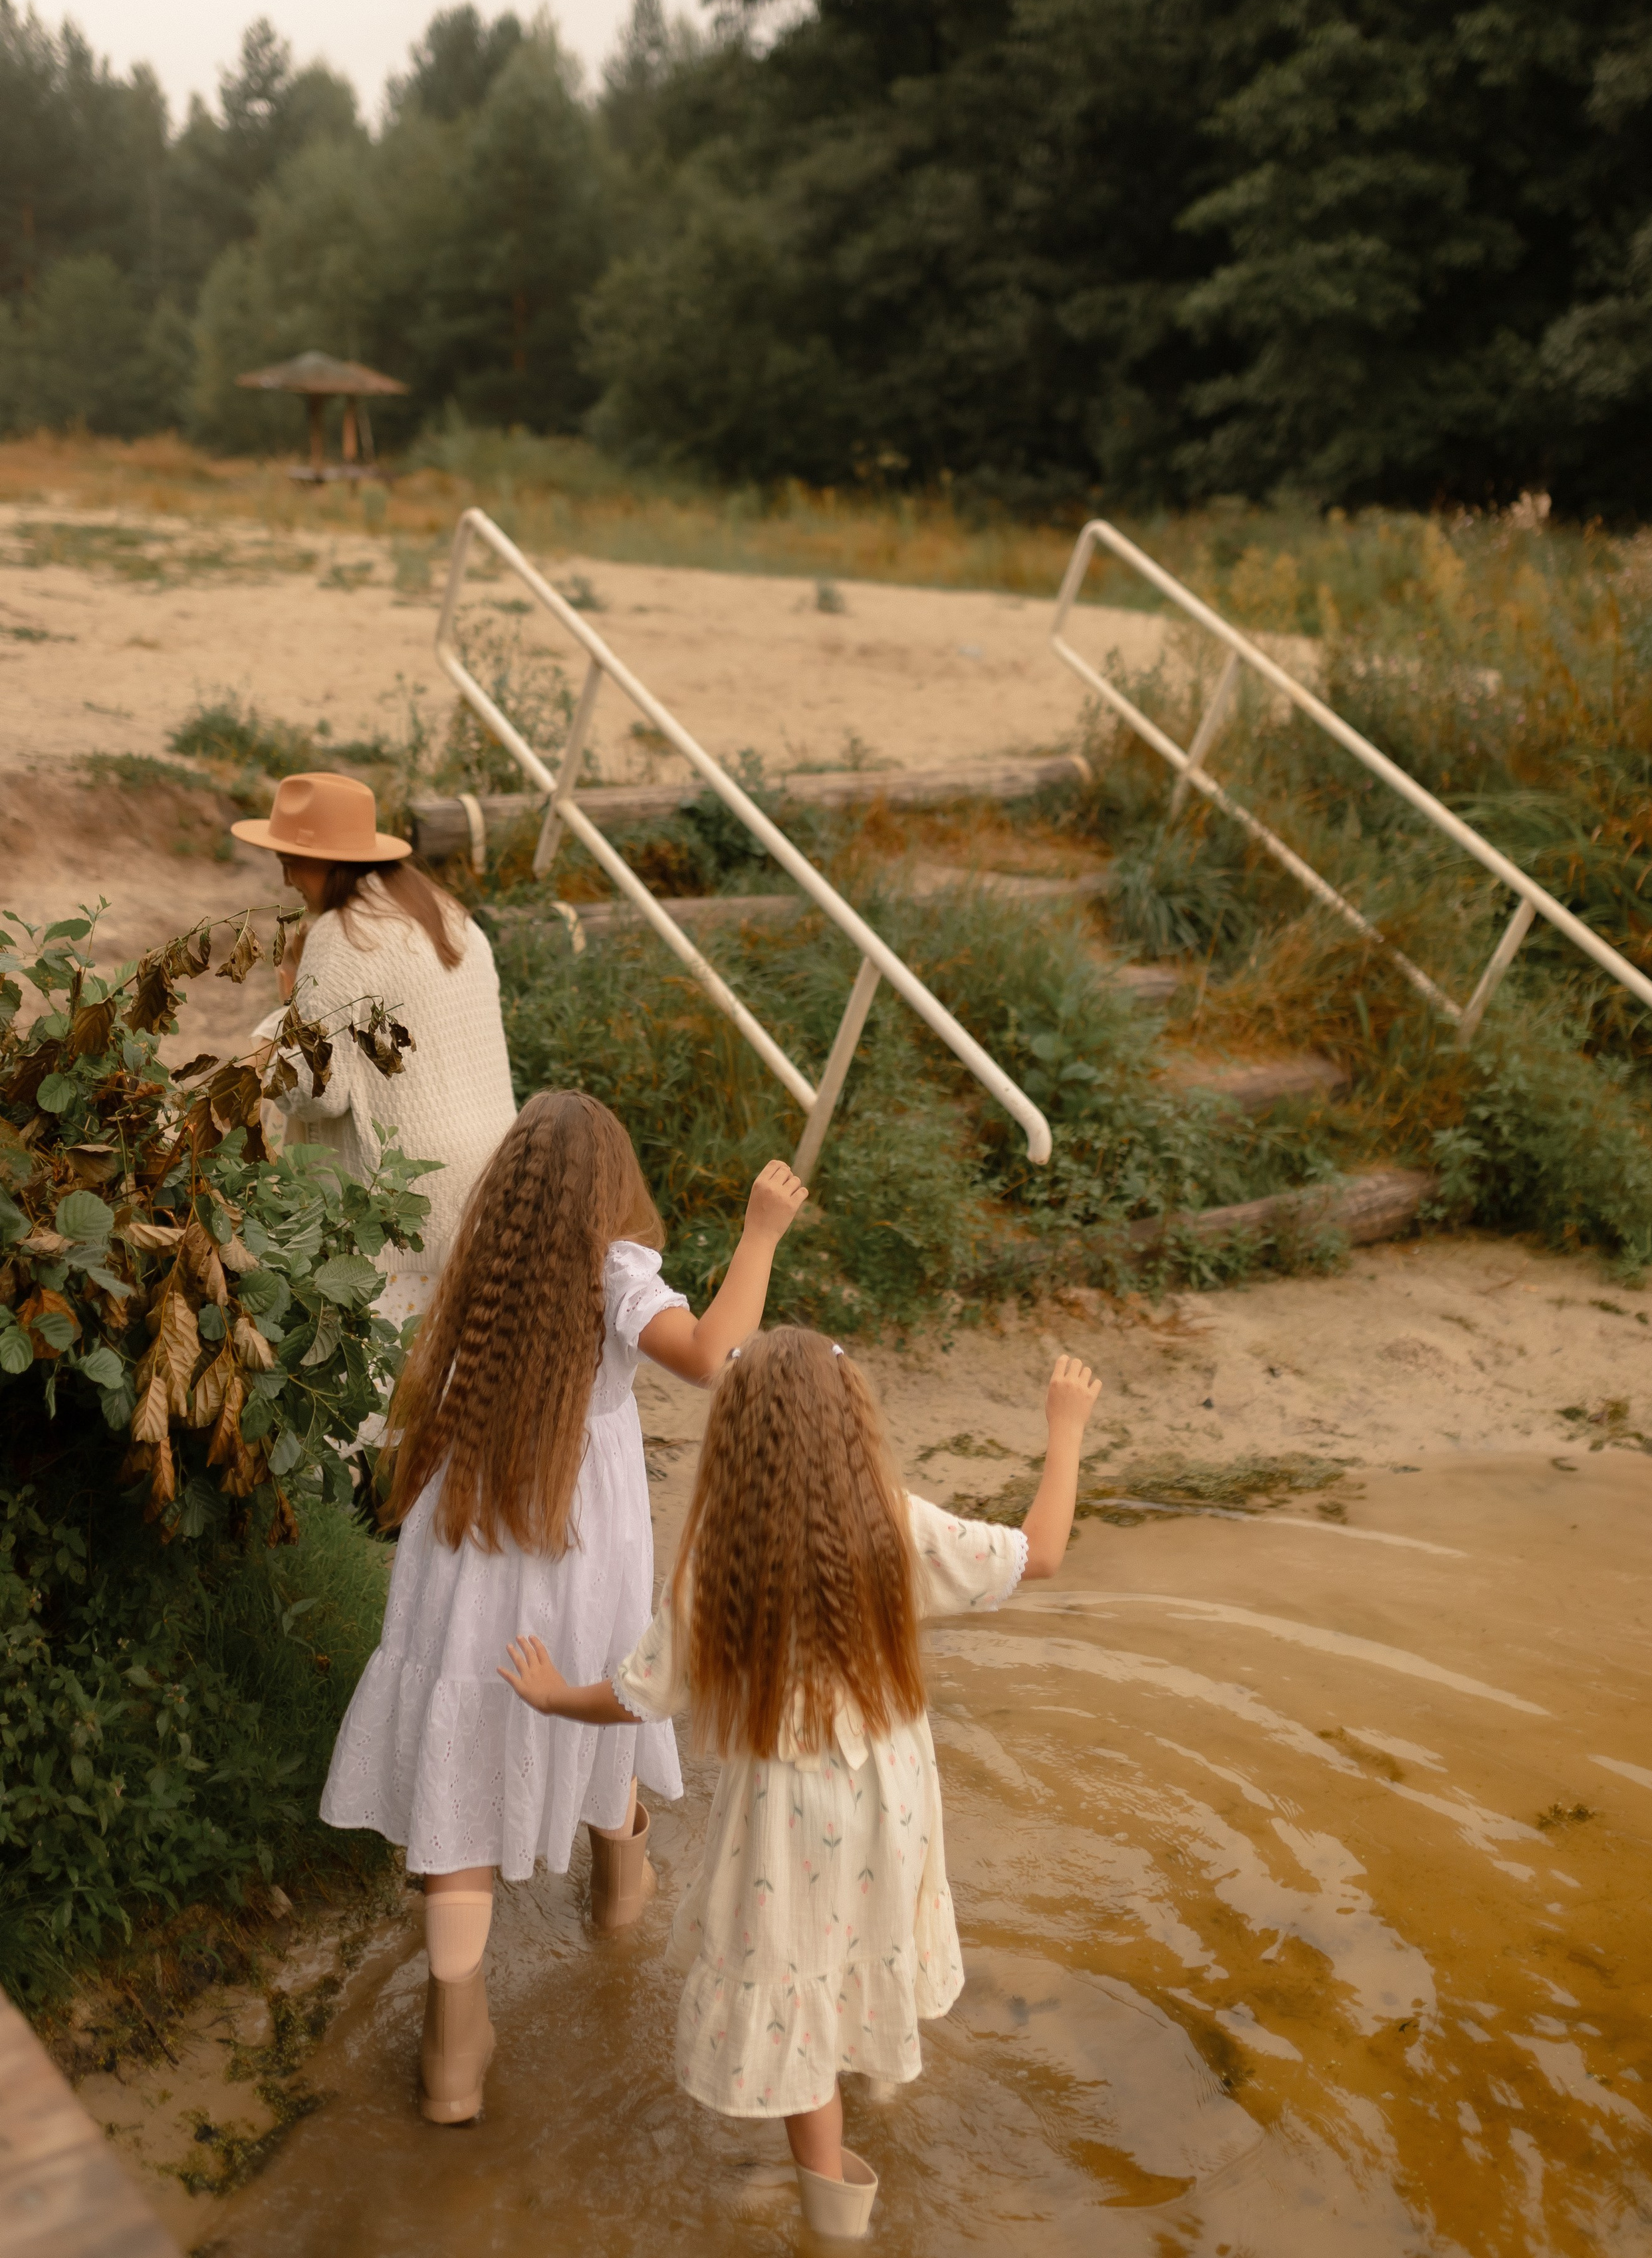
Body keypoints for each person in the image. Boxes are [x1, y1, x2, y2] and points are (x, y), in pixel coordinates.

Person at [500, 1329, 1102, 2241]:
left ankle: (835, 2222)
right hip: (895, 1793)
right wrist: (1065, 1428)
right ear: (852, 1422)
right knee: (872, 1933)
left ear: (734, 1439)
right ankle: (882, 2080)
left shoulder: (720, 1559)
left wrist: (553, 1696)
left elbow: (638, 1696)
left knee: (793, 1985)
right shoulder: (895, 1523)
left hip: (787, 1815)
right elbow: (1041, 1553)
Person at [320, 1091, 809, 2125]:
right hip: (576, 1546)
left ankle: (453, 2047)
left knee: (463, 1756)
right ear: (612, 1189)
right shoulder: (616, 1270)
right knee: (602, 1689)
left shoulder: (484, 1262)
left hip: (468, 1539)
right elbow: (712, 1356)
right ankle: (621, 1898)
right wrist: (761, 1234)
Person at [232, 770, 515, 1323]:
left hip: (398, 1201)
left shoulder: (343, 933)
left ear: (330, 861)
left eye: (291, 859)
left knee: (383, 1368)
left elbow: (315, 1092)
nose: (285, 875)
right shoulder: (449, 915)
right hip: (491, 1178)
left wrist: (271, 1031)